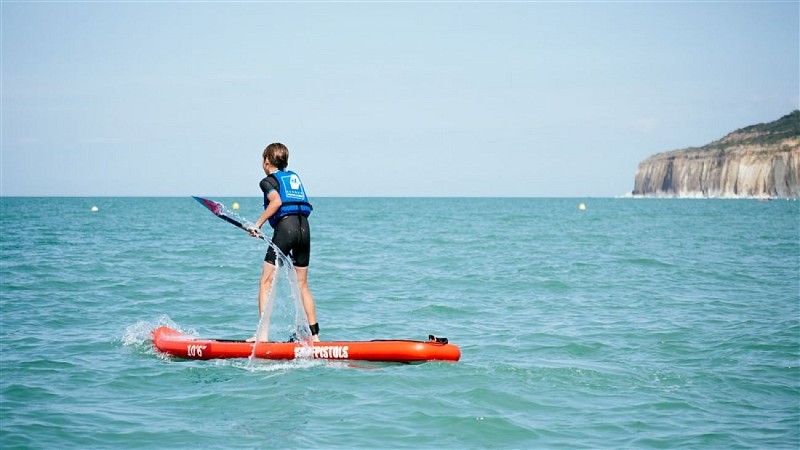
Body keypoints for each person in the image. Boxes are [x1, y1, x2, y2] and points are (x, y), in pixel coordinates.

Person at [247, 143, 320, 342]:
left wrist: (258, 225)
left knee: (266, 281)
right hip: (304, 228)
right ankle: (315, 338)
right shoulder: (294, 178)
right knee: (303, 284)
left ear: (266, 161)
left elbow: (277, 202)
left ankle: (261, 335)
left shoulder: (267, 181)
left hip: (287, 229)